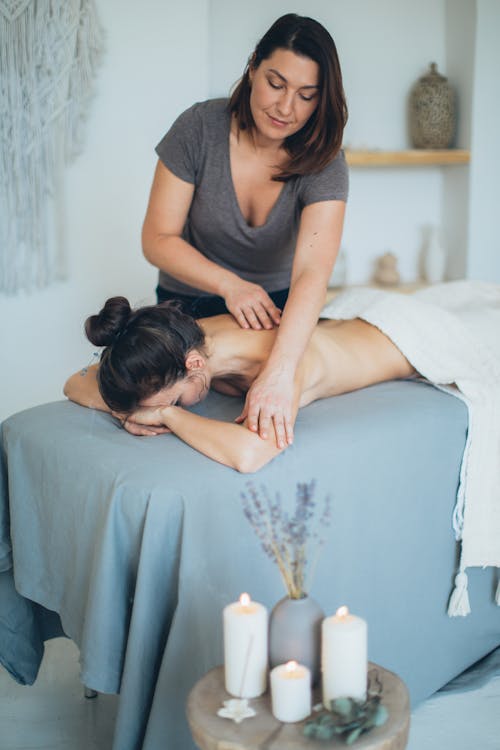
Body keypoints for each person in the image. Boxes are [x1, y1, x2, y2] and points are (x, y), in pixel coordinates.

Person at [141, 13, 349, 450]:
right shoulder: (198, 128)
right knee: (152, 386)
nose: (286, 108)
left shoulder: (325, 160)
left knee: (277, 389)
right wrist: (229, 285)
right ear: (253, 66)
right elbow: (157, 239)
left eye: (306, 95)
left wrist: (279, 370)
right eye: (276, 83)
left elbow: (312, 273)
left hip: (272, 312)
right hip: (189, 306)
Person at [64, 297, 415, 473]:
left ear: (194, 366)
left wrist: (167, 416)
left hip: (406, 342)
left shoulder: (279, 365)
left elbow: (251, 455)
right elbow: (74, 384)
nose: (173, 405)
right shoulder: (186, 339)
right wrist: (130, 409)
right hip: (346, 314)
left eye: (173, 400)